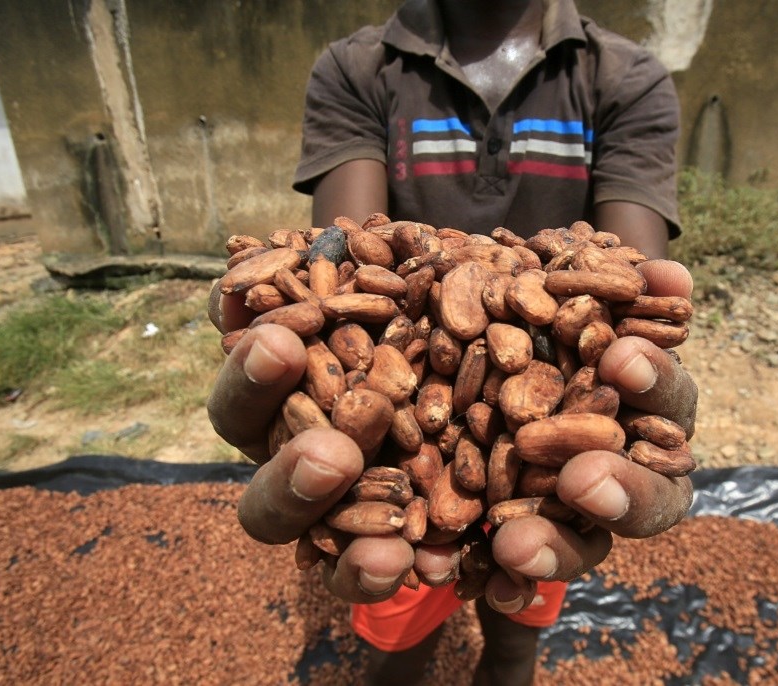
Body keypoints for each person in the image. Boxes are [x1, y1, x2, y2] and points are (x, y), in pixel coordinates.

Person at [206, 1, 699, 684]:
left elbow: (634, 286)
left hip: (547, 419)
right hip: (408, 435)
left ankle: (506, 657)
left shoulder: (623, 74)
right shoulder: (359, 68)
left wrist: (645, 385)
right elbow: (346, 255)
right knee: (399, 631)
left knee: (517, 616)